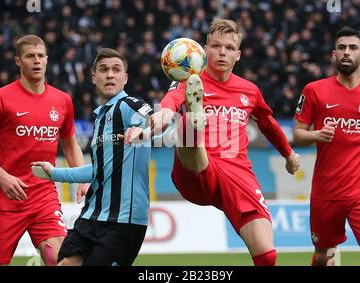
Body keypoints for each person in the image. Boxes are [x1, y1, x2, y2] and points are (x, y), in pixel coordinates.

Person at [128, 18, 301, 266]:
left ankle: (195, 118)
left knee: (268, 255)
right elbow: (167, 106)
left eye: (229, 48)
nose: (222, 52)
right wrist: (153, 124)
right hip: (197, 170)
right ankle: (195, 116)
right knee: (188, 128)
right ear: (205, 49)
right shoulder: (188, 80)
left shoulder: (249, 91)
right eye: (216, 46)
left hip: (237, 174)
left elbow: (268, 124)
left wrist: (289, 154)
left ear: (238, 55)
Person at [0, 35, 87, 265]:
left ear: (47, 60)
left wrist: (82, 177)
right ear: (18, 61)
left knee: (61, 259)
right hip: (6, 198)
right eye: (30, 56)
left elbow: (70, 143)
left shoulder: (62, 100)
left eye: (40, 56)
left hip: (44, 196)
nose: (36, 61)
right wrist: (2, 177)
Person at [32, 48, 153, 266]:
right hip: (92, 216)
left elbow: (160, 120)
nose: (110, 75)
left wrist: (143, 132)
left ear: (125, 78)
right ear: (93, 77)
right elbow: (99, 169)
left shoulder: (129, 106)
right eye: (104, 70)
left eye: (116, 70)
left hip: (123, 220)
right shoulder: (99, 117)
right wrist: (54, 172)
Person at [293, 27, 360, 266]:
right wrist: (316, 134)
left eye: (353, 48)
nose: (347, 52)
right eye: (342, 48)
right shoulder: (314, 90)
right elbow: (297, 136)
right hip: (327, 190)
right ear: (334, 54)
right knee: (323, 256)